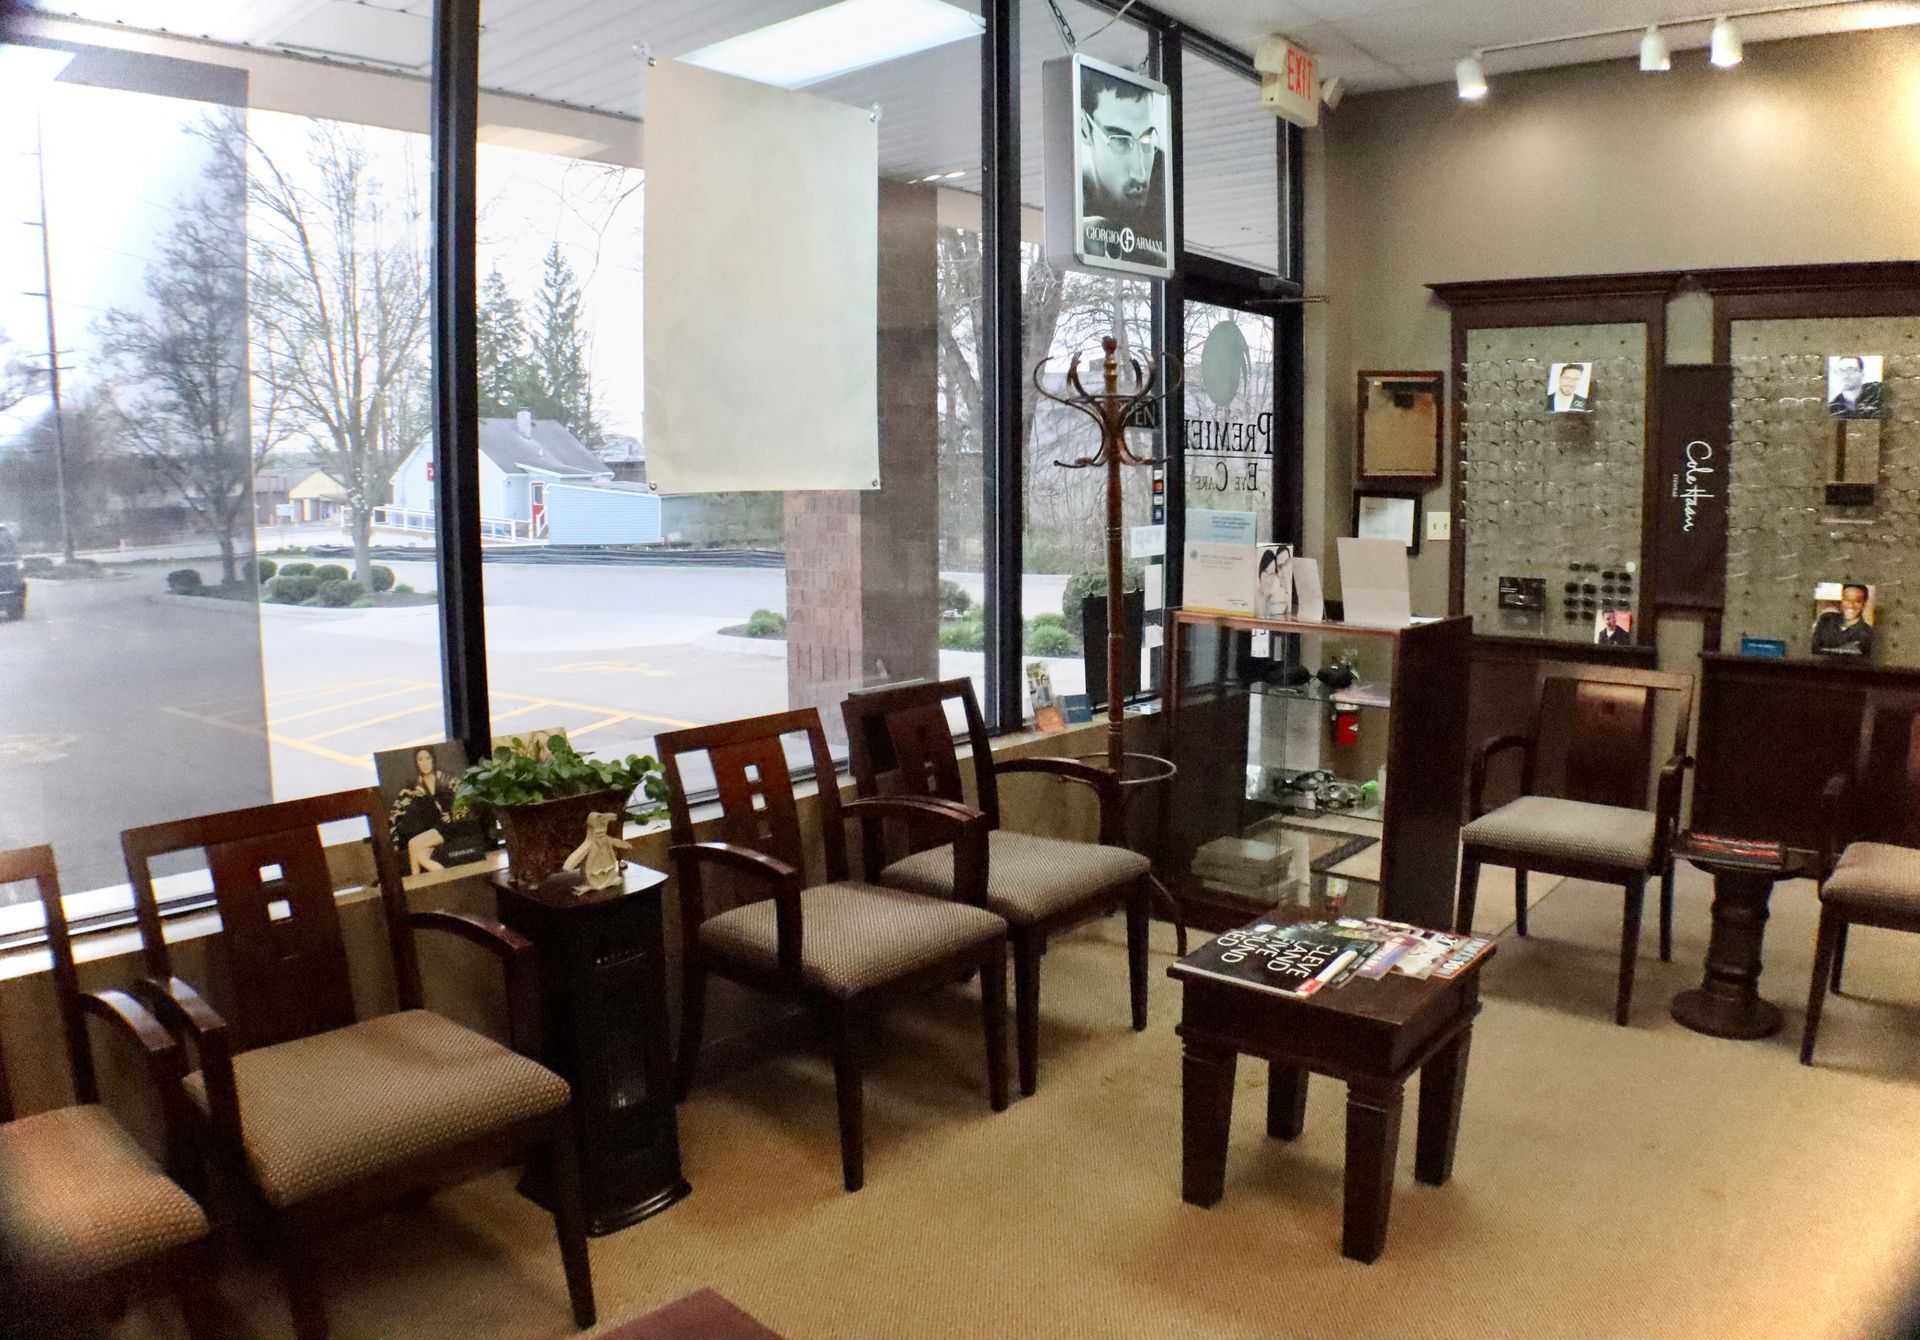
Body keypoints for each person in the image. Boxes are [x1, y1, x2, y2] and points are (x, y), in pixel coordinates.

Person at [1077, 68, 1168, 266]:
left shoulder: (1166, 184)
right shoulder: (1070, 202)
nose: (1140, 172)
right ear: (1084, 127)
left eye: (1146, 140)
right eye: (1120, 140)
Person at [390, 745, 459, 875]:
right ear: (416, 763)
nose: (425, 763)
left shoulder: (447, 779)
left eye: (427, 758)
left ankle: (414, 886)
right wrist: (393, 838)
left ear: (433, 759)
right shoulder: (414, 786)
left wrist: (453, 815)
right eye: (420, 760)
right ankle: (432, 882)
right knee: (421, 857)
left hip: (447, 827)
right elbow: (396, 813)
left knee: (413, 844)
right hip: (430, 830)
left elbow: (465, 800)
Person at [1811, 583, 1875, 657]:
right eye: (1847, 599)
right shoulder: (1826, 619)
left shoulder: (1868, 634)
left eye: (1857, 601)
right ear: (1842, 600)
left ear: (1864, 603)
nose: (1851, 605)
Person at [1256, 545, 1291, 619]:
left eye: (1272, 573)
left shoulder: (1281, 597)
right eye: (1265, 571)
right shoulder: (1254, 596)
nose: (1268, 576)